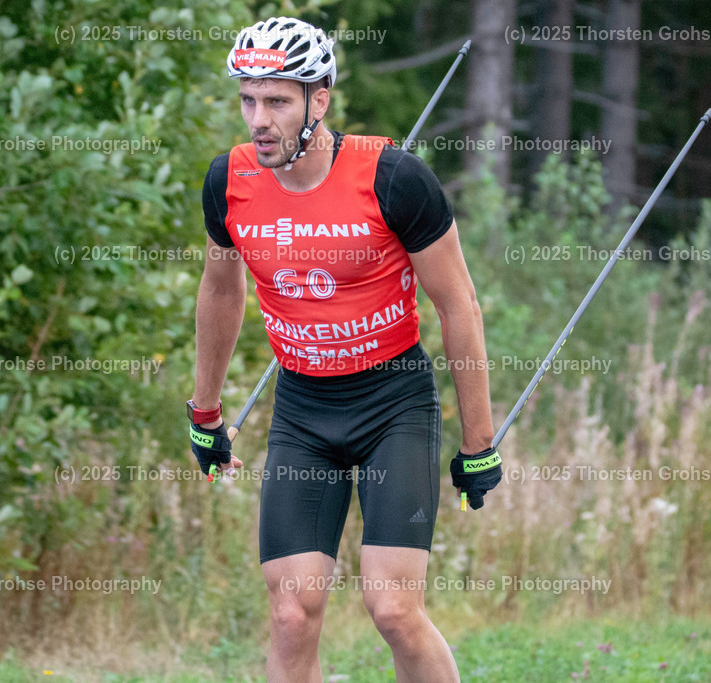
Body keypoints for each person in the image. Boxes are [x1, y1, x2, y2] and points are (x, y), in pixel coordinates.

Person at [187, 16, 502, 682]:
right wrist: (205, 411)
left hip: (394, 405)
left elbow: (458, 306)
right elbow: (221, 292)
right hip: (304, 411)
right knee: (291, 614)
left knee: (393, 608)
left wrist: (480, 442)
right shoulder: (229, 183)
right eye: (248, 99)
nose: (258, 119)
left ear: (318, 99)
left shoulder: (393, 179)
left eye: (276, 100)